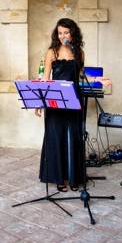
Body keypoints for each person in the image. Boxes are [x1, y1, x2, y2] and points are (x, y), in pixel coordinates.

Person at [35, 18, 85, 192]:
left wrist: (99, 79)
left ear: (72, 33)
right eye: (60, 32)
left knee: (74, 138)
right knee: (56, 137)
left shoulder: (78, 52)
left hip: (74, 100)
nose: (63, 35)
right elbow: (46, 79)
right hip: (55, 100)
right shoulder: (52, 52)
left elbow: (81, 76)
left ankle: (73, 177)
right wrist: (39, 103)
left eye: (66, 32)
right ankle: (59, 178)